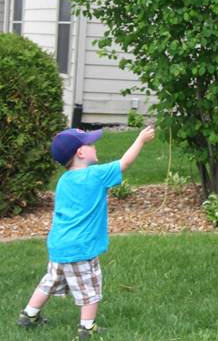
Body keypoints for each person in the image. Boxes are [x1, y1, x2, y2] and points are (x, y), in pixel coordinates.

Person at [17, 125, 155, 339]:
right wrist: (140, 140)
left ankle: (29, 315)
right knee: (91, 287)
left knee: (50, 281)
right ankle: (87, 328)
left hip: (59, 245)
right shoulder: (96, 176)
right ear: (80, 153)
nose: (94, 145)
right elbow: (124, 163)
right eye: (90, 144)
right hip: (81, 247)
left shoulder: (63, 182)